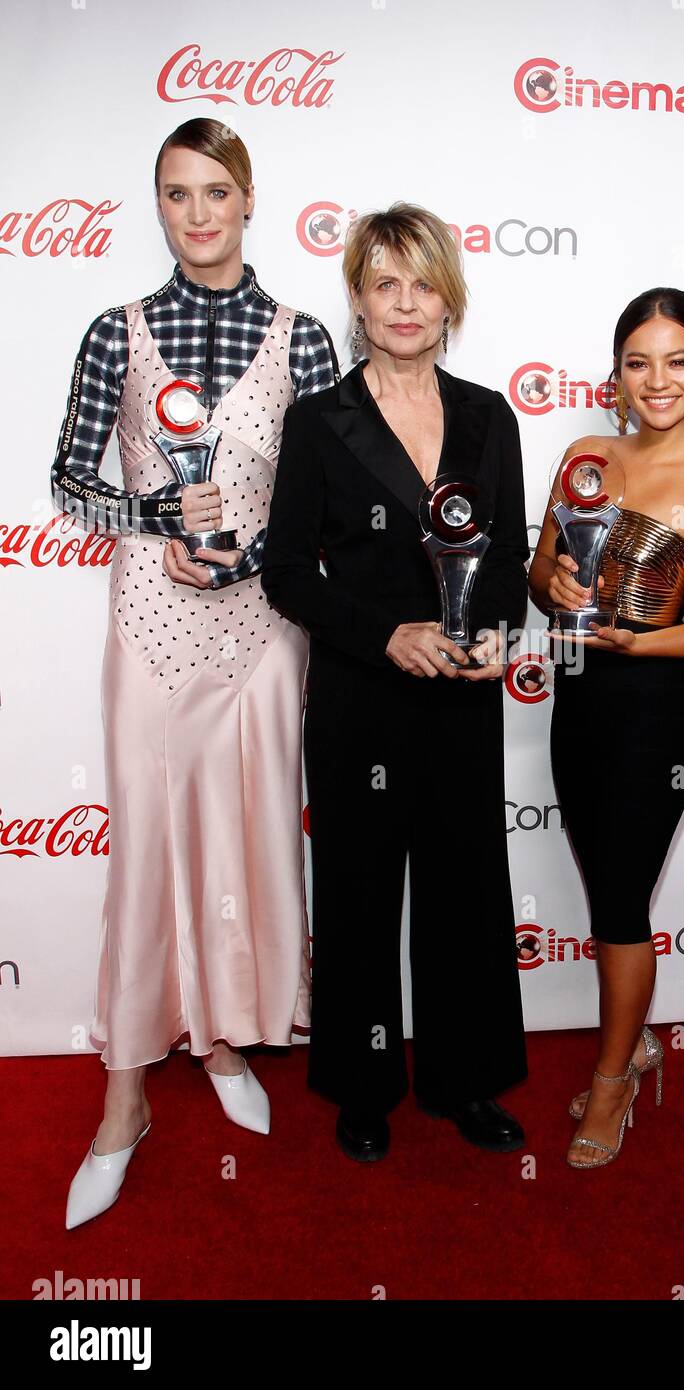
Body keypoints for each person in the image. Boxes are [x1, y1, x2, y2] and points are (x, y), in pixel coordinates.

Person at [55, 118, 338, 1229]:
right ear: (159, 206)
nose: (198, 212)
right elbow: (70, 479)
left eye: (216, 190)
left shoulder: (303, 338)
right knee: (148, 852)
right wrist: (155, 517)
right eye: (177, 193)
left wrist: (255, 551)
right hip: (152, 617)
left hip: (264, 626)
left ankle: (221, 1039)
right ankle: (125, 1091)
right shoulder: (113, 332)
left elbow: (316, 503)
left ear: (249, 197)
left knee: (249, 834)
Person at [261, 202, 529, 1163]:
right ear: (359, 302)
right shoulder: (320, 421)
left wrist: (492, 632)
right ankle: (364, 1084)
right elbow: (286, 571)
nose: (405, 304)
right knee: (360, 894)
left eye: (422, 283)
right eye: (385, 285)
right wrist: (388, 636)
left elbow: (508, 557)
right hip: (360, 701)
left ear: (448, 296)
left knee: (467, 894)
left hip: (462, 696)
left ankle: (465, 1083)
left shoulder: (490, 416)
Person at [528, 288, 684, 1168]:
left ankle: (614, 1076)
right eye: (638, 362)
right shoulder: (585, 457)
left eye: (677, 361)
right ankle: (638, 1042)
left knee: (622, 904)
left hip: (652, 717)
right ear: (616, 374)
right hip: (574, 700)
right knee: (602, 894)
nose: (656, 380)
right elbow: (541, 566)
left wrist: (650, 638)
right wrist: (548, 583)